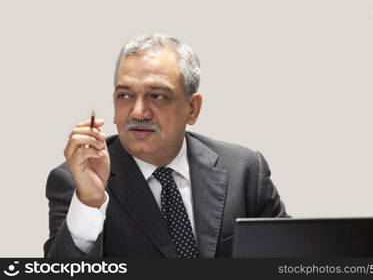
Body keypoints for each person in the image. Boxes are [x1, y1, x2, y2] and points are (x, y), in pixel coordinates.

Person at [44, 33, 287, 258]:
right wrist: (89, 202)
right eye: (125, 95)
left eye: (157, 96)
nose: (138, 112)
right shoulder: (76, 180)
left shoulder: (244, 171)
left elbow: (294, 258)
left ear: (192, 109)